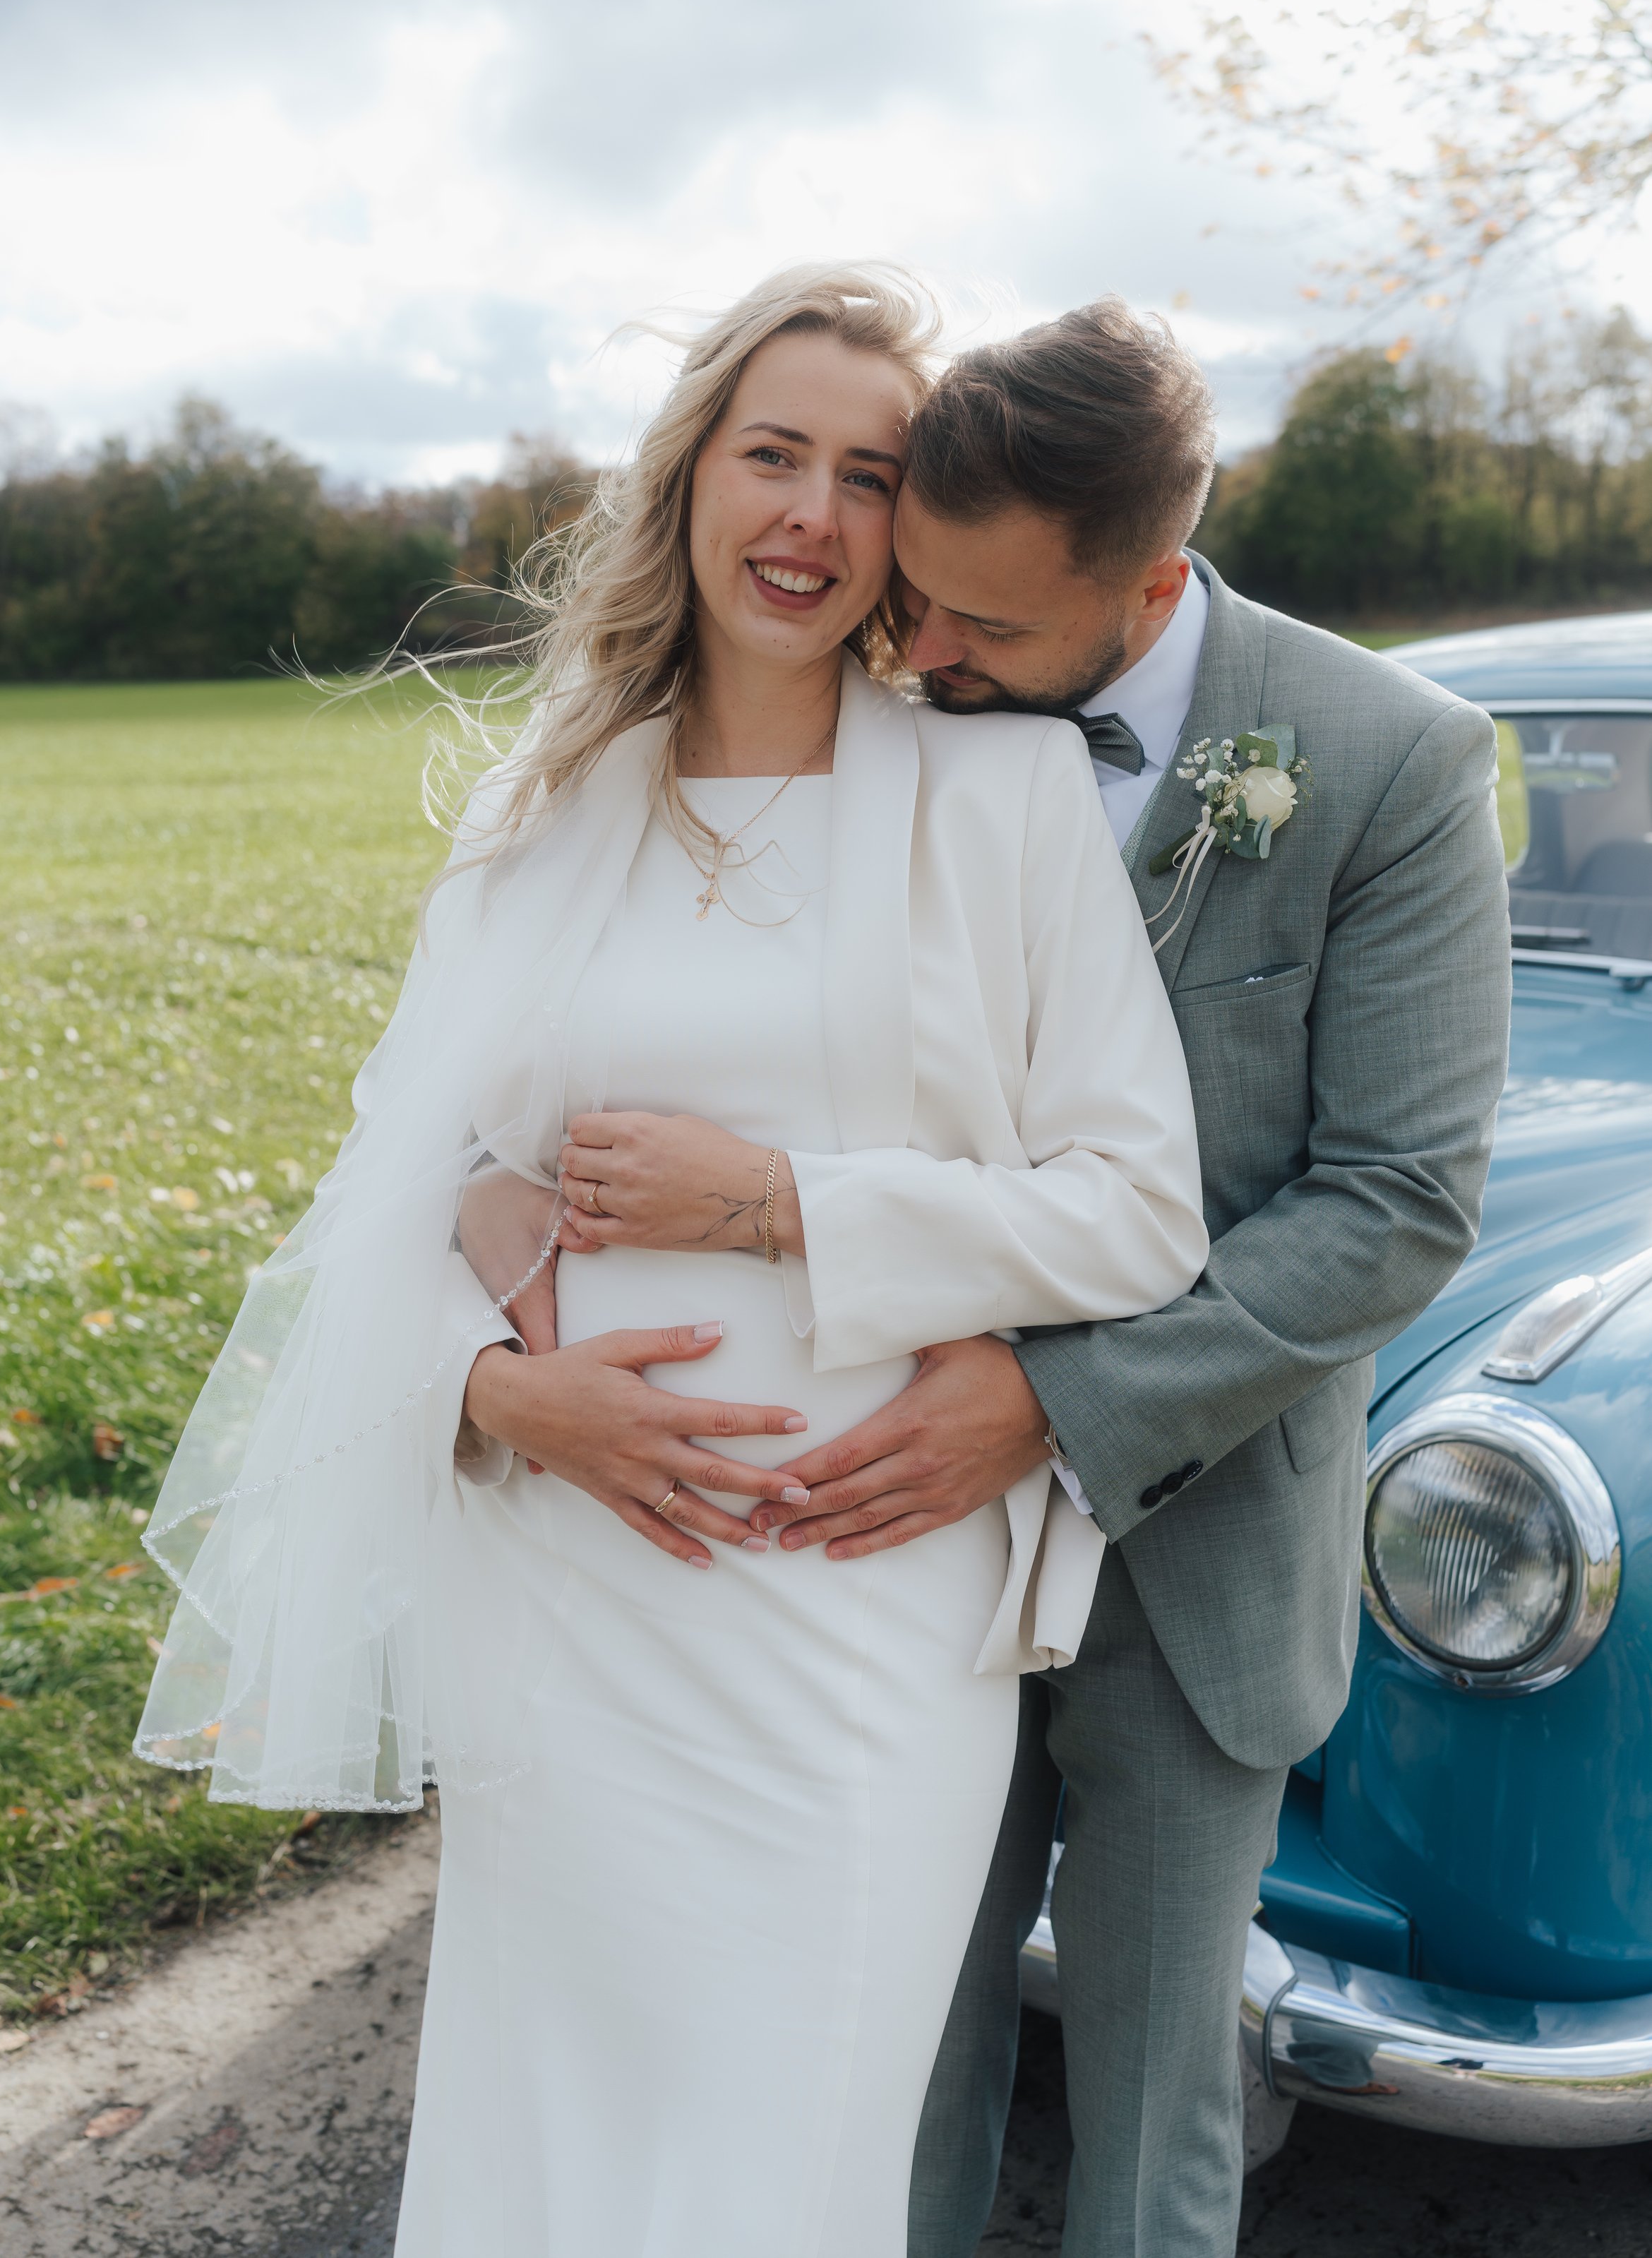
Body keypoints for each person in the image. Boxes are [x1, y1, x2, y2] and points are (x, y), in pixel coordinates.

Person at [133, 265, 1208, 2257]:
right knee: (544, 2139)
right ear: (690, 474)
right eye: (769, 452)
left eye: (865, 474)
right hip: (565, 1598)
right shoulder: (546, 811)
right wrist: (488, 1390)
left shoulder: (1001, 800)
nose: (807, 514)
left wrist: (779, 1203)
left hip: (860, 1598)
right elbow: (423, 1178)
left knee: (780, 2155)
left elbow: (1135, 1208)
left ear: (913, 526)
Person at [727, 302, 1512, 2258]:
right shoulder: (877, 714)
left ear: (1147, 580)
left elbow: (1397, 1198)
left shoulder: (1385, 760)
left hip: (1204, 1542)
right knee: (889, 2052)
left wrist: (1061, 1405)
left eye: (980, 627)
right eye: (911, 601)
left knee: (1161, 2115)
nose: (919, 654)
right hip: (892, 1514)